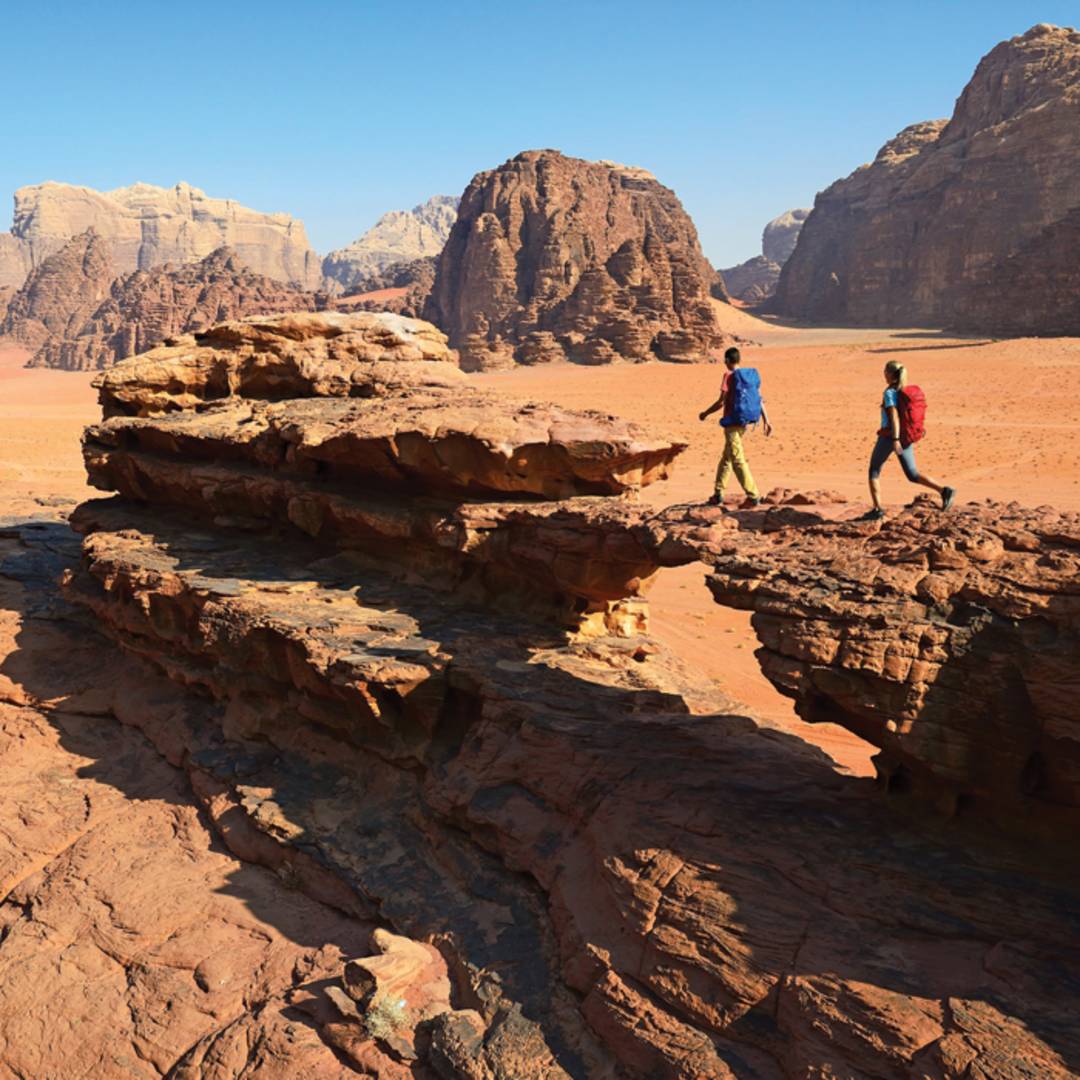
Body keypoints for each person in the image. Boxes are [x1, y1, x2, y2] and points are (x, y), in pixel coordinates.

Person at [859, 360, 954, 521]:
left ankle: (877, 510)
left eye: (885, 371)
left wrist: (895, 439)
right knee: (912, 474)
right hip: (905, 437)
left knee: (874, 470)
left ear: (890, 374)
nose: (883, 373)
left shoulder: (890, 392)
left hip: (890, 437)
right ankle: (944, 491)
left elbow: (894, 417)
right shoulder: (904, 391)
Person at [698, 347, 772, 508]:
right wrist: (766, 420)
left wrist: (705, 413)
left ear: (727, 361)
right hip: (744, 422)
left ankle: (753, 495)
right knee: (727, 458)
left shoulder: (729, 376)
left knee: (737, 459)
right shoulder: (749, 377)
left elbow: (721, 402)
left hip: (731, 423)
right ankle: (718, 493)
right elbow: (759, 399)